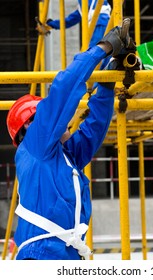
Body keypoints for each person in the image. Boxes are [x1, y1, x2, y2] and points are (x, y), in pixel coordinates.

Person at [6, 21, 133, 260]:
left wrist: (106, 83)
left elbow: (94, 129)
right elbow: (64, 90)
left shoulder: (62, 157)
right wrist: (103, 48)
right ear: (29, 124)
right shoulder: (35, 145)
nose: (65, 122)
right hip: (42, 257)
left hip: (63, 255)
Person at [46, 0, 111, 48]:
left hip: (101, 25)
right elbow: (70, 20)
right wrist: (51, 24)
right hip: (98, 26)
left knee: (95, 55)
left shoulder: (91, 3)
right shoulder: (83, 6)